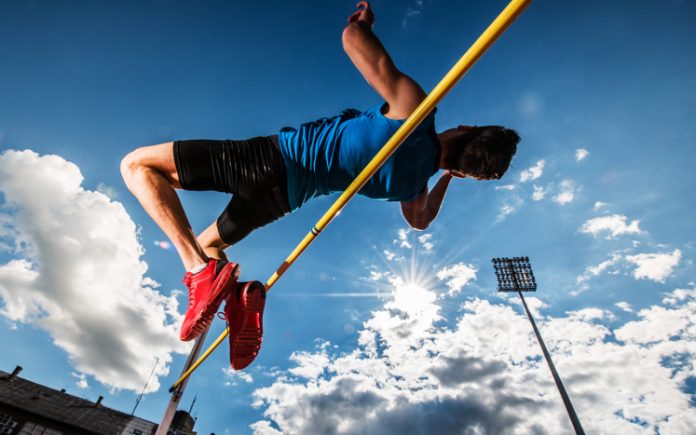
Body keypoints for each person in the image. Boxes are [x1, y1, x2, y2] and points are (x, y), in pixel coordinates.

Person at [120, 1, 520, 370]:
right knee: (210, 245)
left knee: (137, 165)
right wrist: (448, 176)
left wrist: (362, 23)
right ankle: (241, 302)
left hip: (270, 160)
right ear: (465, 171)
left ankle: (197, 273)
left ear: (467, 128)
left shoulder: (415, 115)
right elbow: (422, 221)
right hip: (284, 199)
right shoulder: (415, 186)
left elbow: (352, 41)